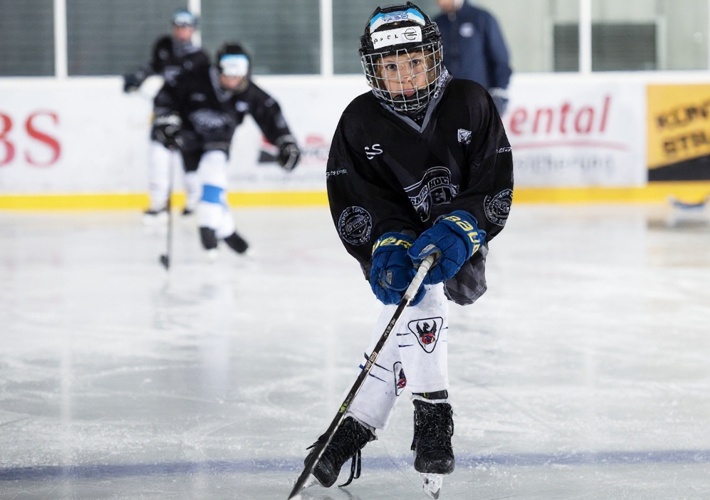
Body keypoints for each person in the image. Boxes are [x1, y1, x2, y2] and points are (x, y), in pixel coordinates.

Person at [303, 1, 513, 492]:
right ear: (373, 69)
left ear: (432, 57)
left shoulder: (470, 101)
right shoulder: (359, 120)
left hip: (460, 236)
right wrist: (385, 242)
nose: (404, 76)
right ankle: (432, 424)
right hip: (395, 243)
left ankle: (351, 429)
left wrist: (463, 226)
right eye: (390, 67)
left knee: (418, 295)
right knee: (417, 292)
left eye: (414, 62)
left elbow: (493, 180)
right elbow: (356, 197)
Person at [152, 42, 301, 259]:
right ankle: (228, 232)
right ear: (218, 70)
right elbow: (166, 96)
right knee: (197, 185)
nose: (232, 82)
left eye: (238, 77)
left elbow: (269, 113)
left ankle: (208, 227)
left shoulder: (249, 91)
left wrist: (285, 142)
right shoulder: (194, 79)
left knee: (214, 168)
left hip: (218, 143)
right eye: (228, 76)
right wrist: (166, 122)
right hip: (189, 142)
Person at [123, 9, 209, 221]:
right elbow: (152, 67)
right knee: (158, 150)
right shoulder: (164, 47)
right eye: (178, 27)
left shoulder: (200, 58)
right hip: (165, 108)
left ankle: (193, 199)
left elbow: (206, 87)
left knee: (189, 155)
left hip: (189, 113)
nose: (181, 31)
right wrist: (137, 78)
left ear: (193, 30)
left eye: (186, 27)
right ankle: (159, 202)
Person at [433, 0, 512, 115]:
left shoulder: (481, 18)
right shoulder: (437, 24)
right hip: (448, 102)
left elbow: (500, 58)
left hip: (479, 100)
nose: (438, 2)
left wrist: (500, 90)